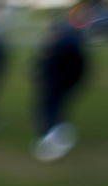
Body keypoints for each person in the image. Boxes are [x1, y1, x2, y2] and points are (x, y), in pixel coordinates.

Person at [32, 19, 88, 162]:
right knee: (56, 109)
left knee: (48, 111)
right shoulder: (73, 44)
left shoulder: (58, 46)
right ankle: (57, 133)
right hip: (65, 85)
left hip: (54, 85)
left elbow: (46, 66)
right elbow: (81, 69)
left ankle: (52, 140)